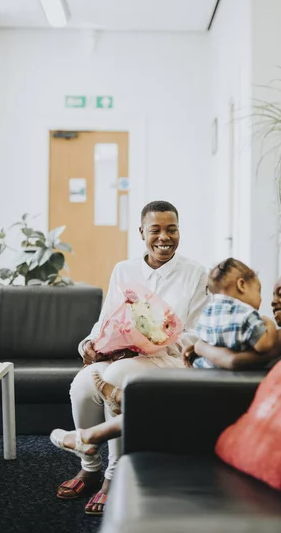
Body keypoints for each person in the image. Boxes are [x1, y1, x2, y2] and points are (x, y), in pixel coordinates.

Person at [51, 263, 281, 458]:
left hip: (236, 399)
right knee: (159, 400)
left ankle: (93, 433)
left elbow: (236, 362)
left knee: (161, 401)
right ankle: (95, 430)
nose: (273, 301)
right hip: (238, 393)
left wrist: (201, 348)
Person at [52, 200, 208, 515]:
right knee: (82, 384)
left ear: (179, 231)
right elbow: (106, 319)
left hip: (169, 359)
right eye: (156, 230)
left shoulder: (196, 273)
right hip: (120, 356)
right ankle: (90, 464)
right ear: (141, 233)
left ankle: (114, 475)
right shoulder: (124, 270)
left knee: (112, 378)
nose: (164, 237)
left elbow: (196, 332)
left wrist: (154, 341)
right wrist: (90, 344)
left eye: (172, 229)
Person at [184, 258, 278, 369]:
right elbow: (264, 345)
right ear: (241, 285)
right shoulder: (246, 314)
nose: (260, 298)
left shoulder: (206, 314)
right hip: (234, 380)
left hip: (204, 375)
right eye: (258, 291)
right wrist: (270, 323)